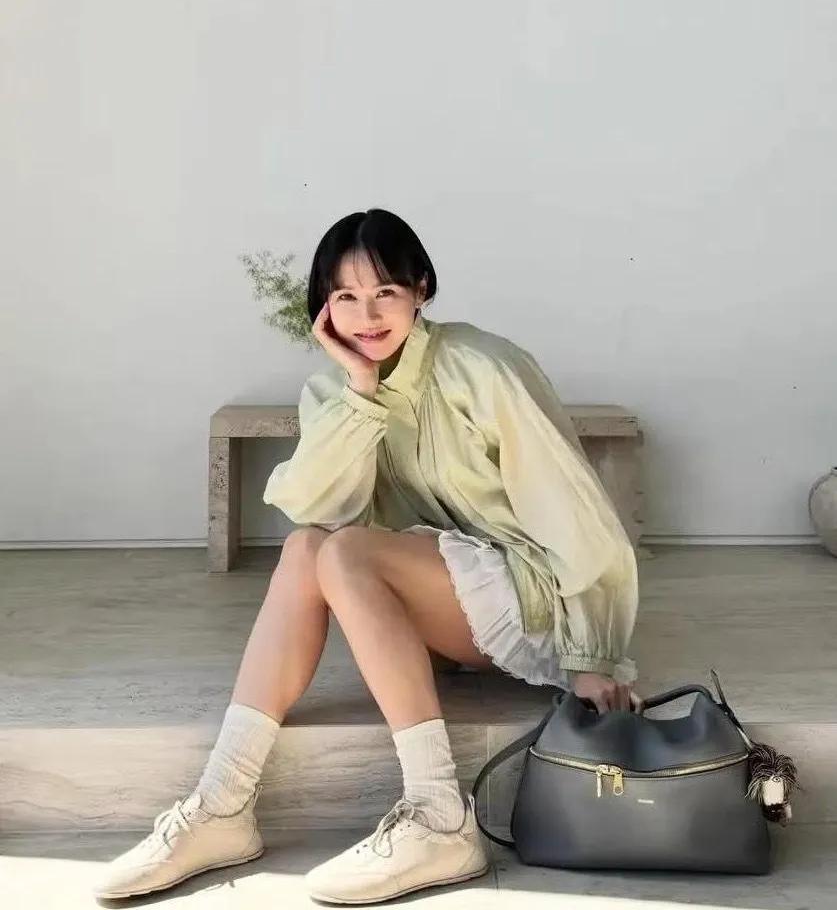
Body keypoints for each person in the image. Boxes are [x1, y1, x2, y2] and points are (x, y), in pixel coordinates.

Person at [93, 207, 641, 903]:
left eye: (385, 291)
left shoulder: (482, 365)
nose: (368, 315)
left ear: (420, 288)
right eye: (346, 297)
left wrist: (592, 655)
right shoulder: (334, 389)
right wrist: (360, 390)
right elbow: (314, 506)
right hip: (448, 605)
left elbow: (574, 510)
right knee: (307, 547)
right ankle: (222, 804)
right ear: (324, 308)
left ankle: (439, 817)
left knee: (347, 552)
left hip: (535, 599)